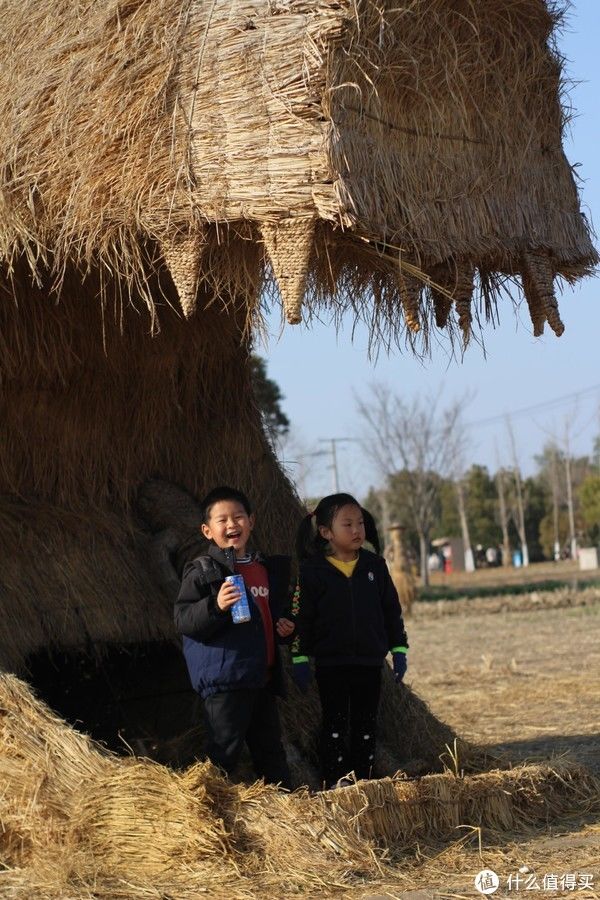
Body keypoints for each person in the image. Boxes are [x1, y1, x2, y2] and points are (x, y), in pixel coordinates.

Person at [174, 485, 295, 788]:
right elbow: (183, 619)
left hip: (261, 678)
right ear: (207, 530)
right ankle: (207, 815)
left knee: (271, 753)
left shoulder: (265, 569)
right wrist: (215, 606)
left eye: (239, 517)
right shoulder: (203, 571)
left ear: (251, 521)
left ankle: (288, 816)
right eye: (222, 520)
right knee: (224, 751)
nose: (232, 525)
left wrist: (285, 628)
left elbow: (268, 618)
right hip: (227, 681)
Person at [291, 493, 408, 789]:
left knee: (366, 723)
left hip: (369, 662)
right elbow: (301, 617)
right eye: (347, 524)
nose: (357, 530)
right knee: (335, 723)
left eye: (360, 523)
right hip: (332, 663)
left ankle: (364, 778)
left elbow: (391, 610)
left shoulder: (375, 567)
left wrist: (399, 648)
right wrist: (300, 656)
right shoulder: (312, 571)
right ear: (326, 532)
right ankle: (337, 779)